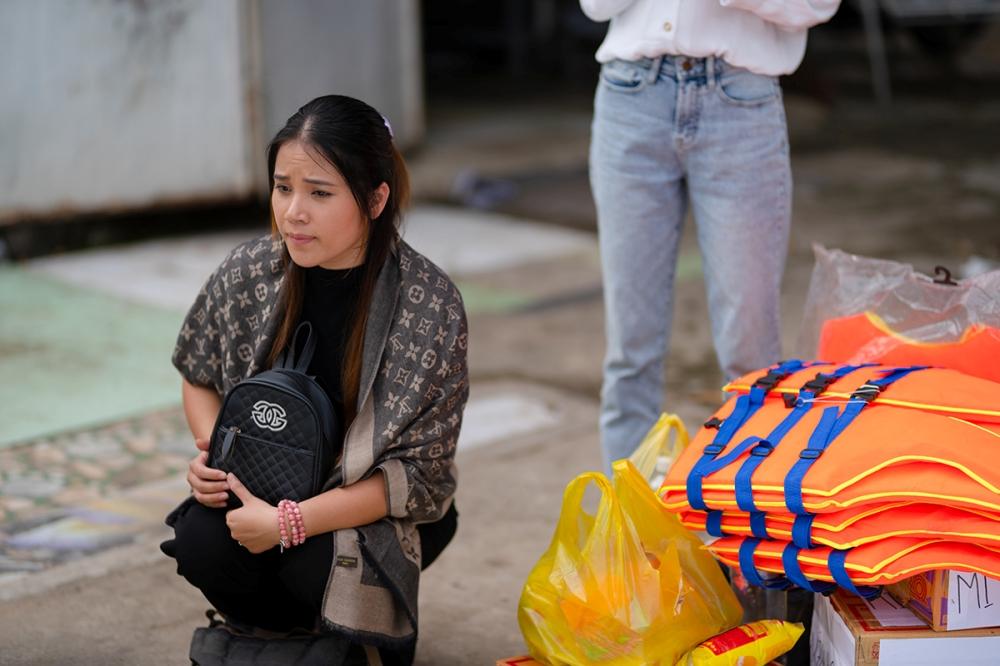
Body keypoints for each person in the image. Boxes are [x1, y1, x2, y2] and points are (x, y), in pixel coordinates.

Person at [160, 94, 469, 665]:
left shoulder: (429, 305)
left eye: (320, 193)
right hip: (263, 483)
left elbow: (421, 480)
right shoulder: (250, 269)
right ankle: (302, 639)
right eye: (283, 188)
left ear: (376, 199)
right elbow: (198, 374)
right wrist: (214, 456)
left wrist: (290, 522)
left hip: (375, 508)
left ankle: (335, 634)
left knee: (310, 558)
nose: (293, 212)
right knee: (203, 540)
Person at [579, 0, 841, 471]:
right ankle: (628, 525)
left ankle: (748, 520)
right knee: (629, 351)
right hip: (631, 93)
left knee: (750, 354)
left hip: (740, 100)